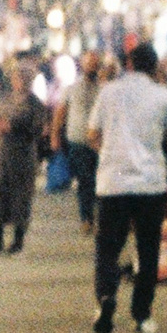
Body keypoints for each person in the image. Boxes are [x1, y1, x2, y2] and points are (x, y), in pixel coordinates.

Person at [88, 43, 167, 333]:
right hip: (150, 182)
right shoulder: (162, 94)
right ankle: (142, 314)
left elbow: (92, 134)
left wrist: (110, 153)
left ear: (128, 63)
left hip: (113, 182)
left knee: (108, 247)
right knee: (148, 249)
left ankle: (106, 298)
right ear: (154, 66)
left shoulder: (109, 92)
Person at [0, 59, 44, 254]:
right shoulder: (6, 99)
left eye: (21, 78)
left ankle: (17, 241)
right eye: (15, 78)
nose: (17, 82)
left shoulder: (34, 103)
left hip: (23, 156)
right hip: (3, 155)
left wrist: (14, 127)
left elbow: (38, 129)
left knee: (20, 198)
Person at [61, 53, 104, 225]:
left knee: (99, 180)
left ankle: (98, 216)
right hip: (78, 141)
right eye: (89, 64)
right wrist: (56, 135)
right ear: (82, 65)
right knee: (85, 180)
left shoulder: (103, 88)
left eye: (95, 64)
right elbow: (61, 112)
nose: (92, 67)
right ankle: (86, 217)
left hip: (100, 142)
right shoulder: (71, 88)